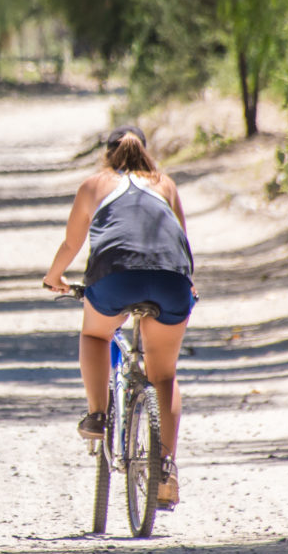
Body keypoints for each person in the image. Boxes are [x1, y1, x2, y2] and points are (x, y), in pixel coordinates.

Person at [42, 124, 194, 509]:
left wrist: (54, 276)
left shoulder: (94, 184)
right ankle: (165, 468)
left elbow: (72, 242)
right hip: (172, 282)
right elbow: (181, 242)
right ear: (146, 150)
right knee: (164, 375)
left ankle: (97, 414)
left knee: (96, 336)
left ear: (108, 153)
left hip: (115, 280)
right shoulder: (166, 184)